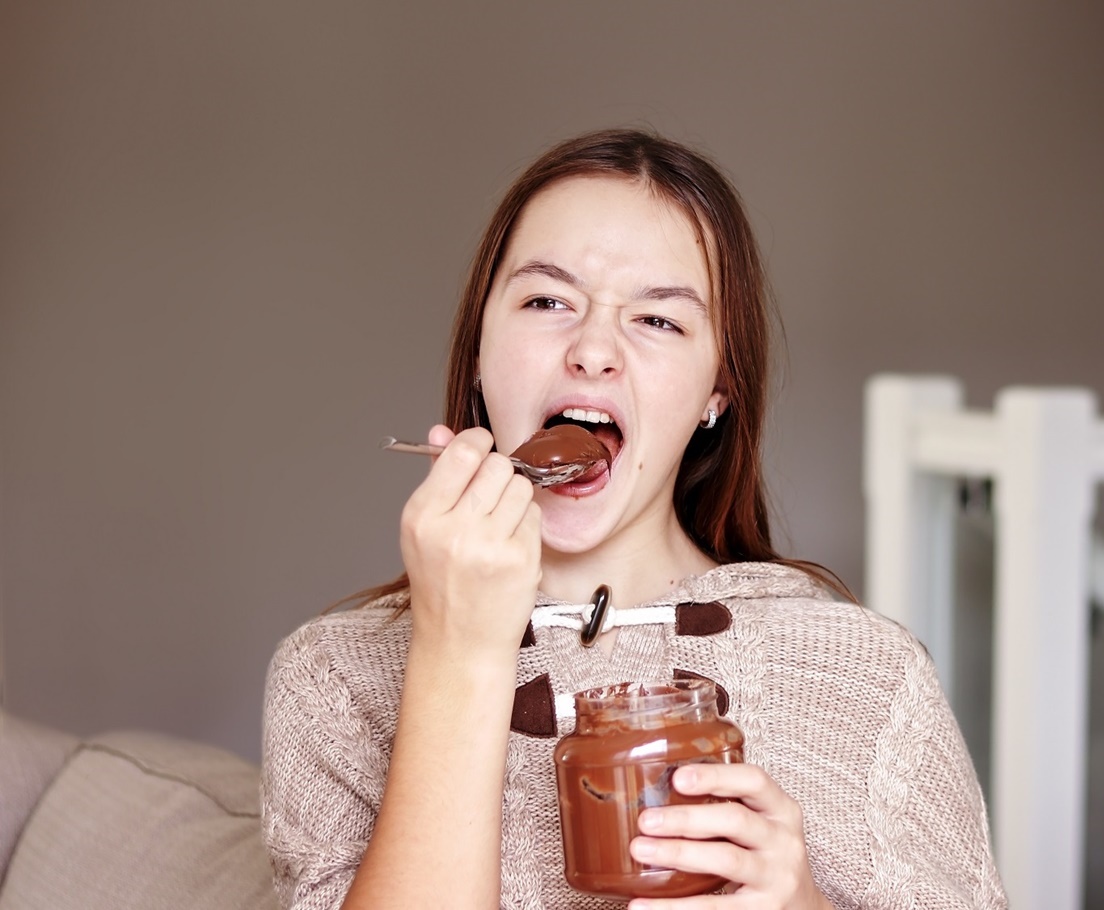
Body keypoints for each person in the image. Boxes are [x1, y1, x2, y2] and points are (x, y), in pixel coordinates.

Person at [261, 129, 1007, 910]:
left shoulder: (866, 677)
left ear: (717, 390)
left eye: (658, 320)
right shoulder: (334, 680)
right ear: (479, 353)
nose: (592, 350)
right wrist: (458, 652)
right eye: (547, 300)